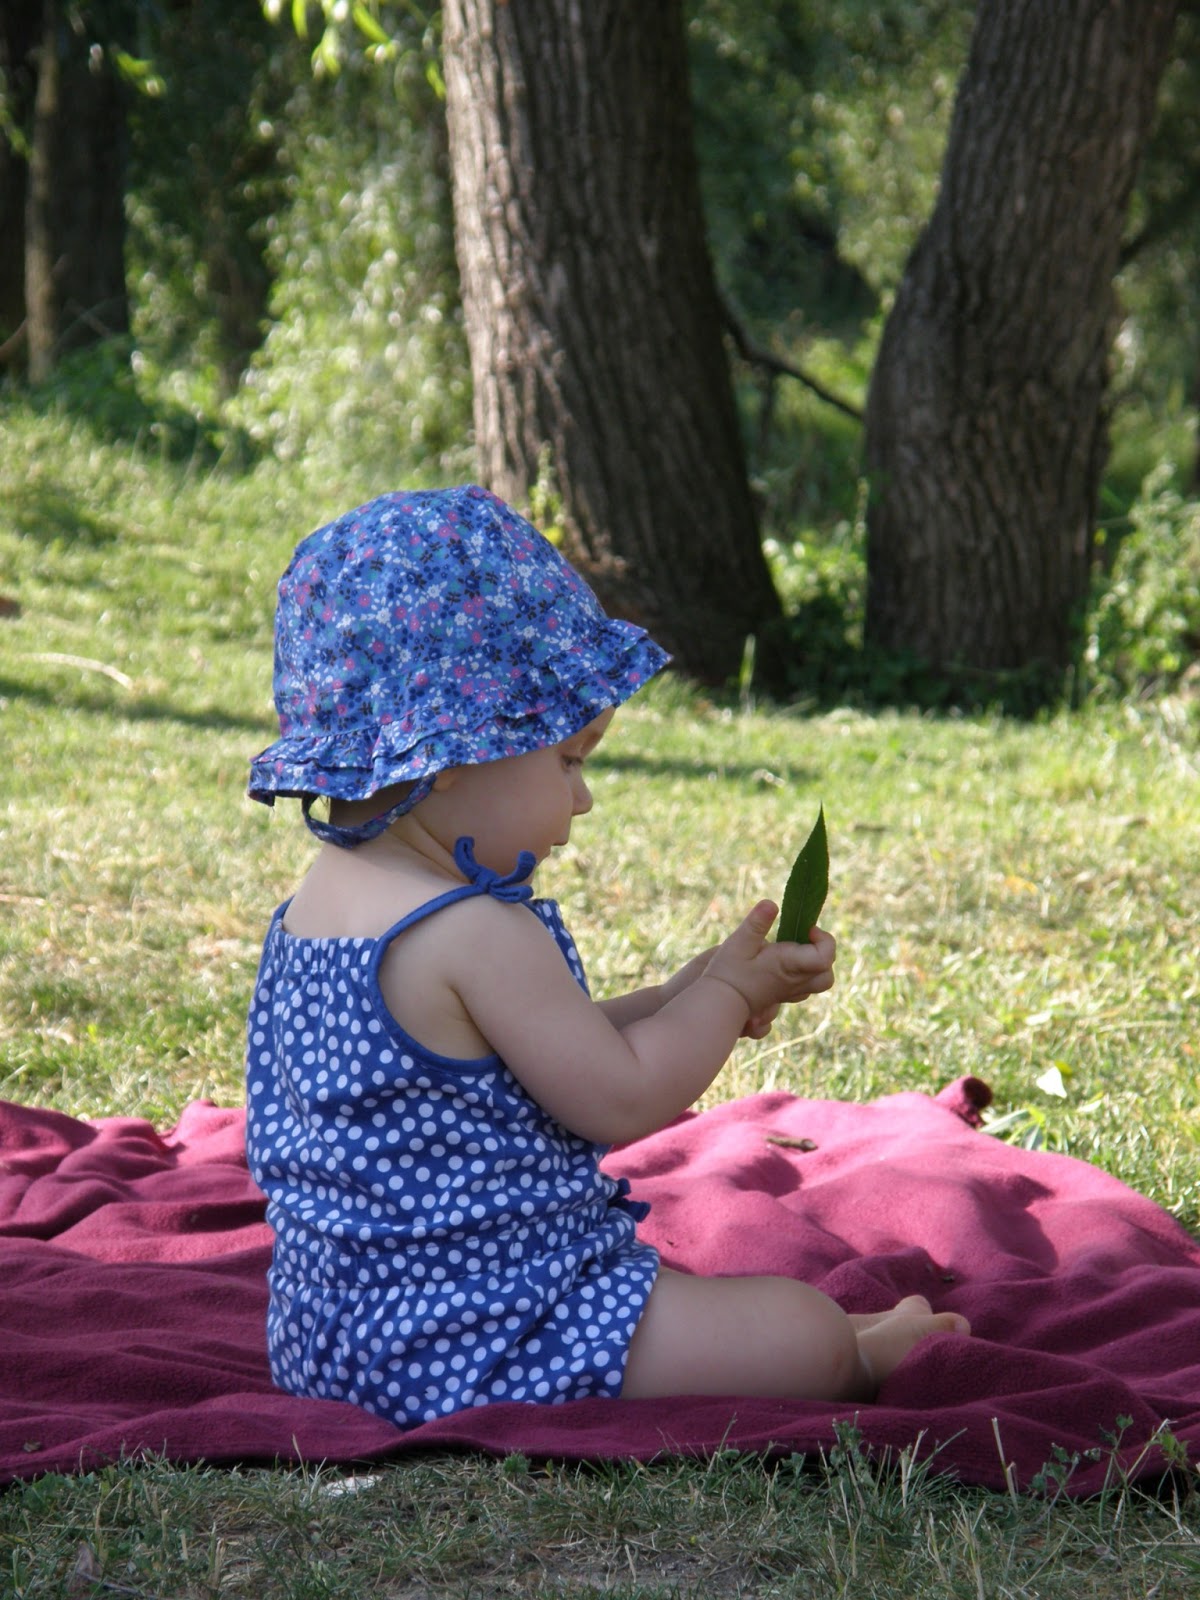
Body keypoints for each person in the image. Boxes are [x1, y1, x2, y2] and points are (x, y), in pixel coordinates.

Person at [244, 484, 969, 1426]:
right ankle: (856, 1357)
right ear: (451, 754)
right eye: (570, 761)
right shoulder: (473, 929)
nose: (582, 800)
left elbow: (533, 1051)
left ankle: (846, 1339)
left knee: (768, 1322)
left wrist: (686, 989)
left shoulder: (318, 907)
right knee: (802, 1328)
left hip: (336, 1339)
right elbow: (618, 1095)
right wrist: (723, 1001)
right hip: (493, 1336)